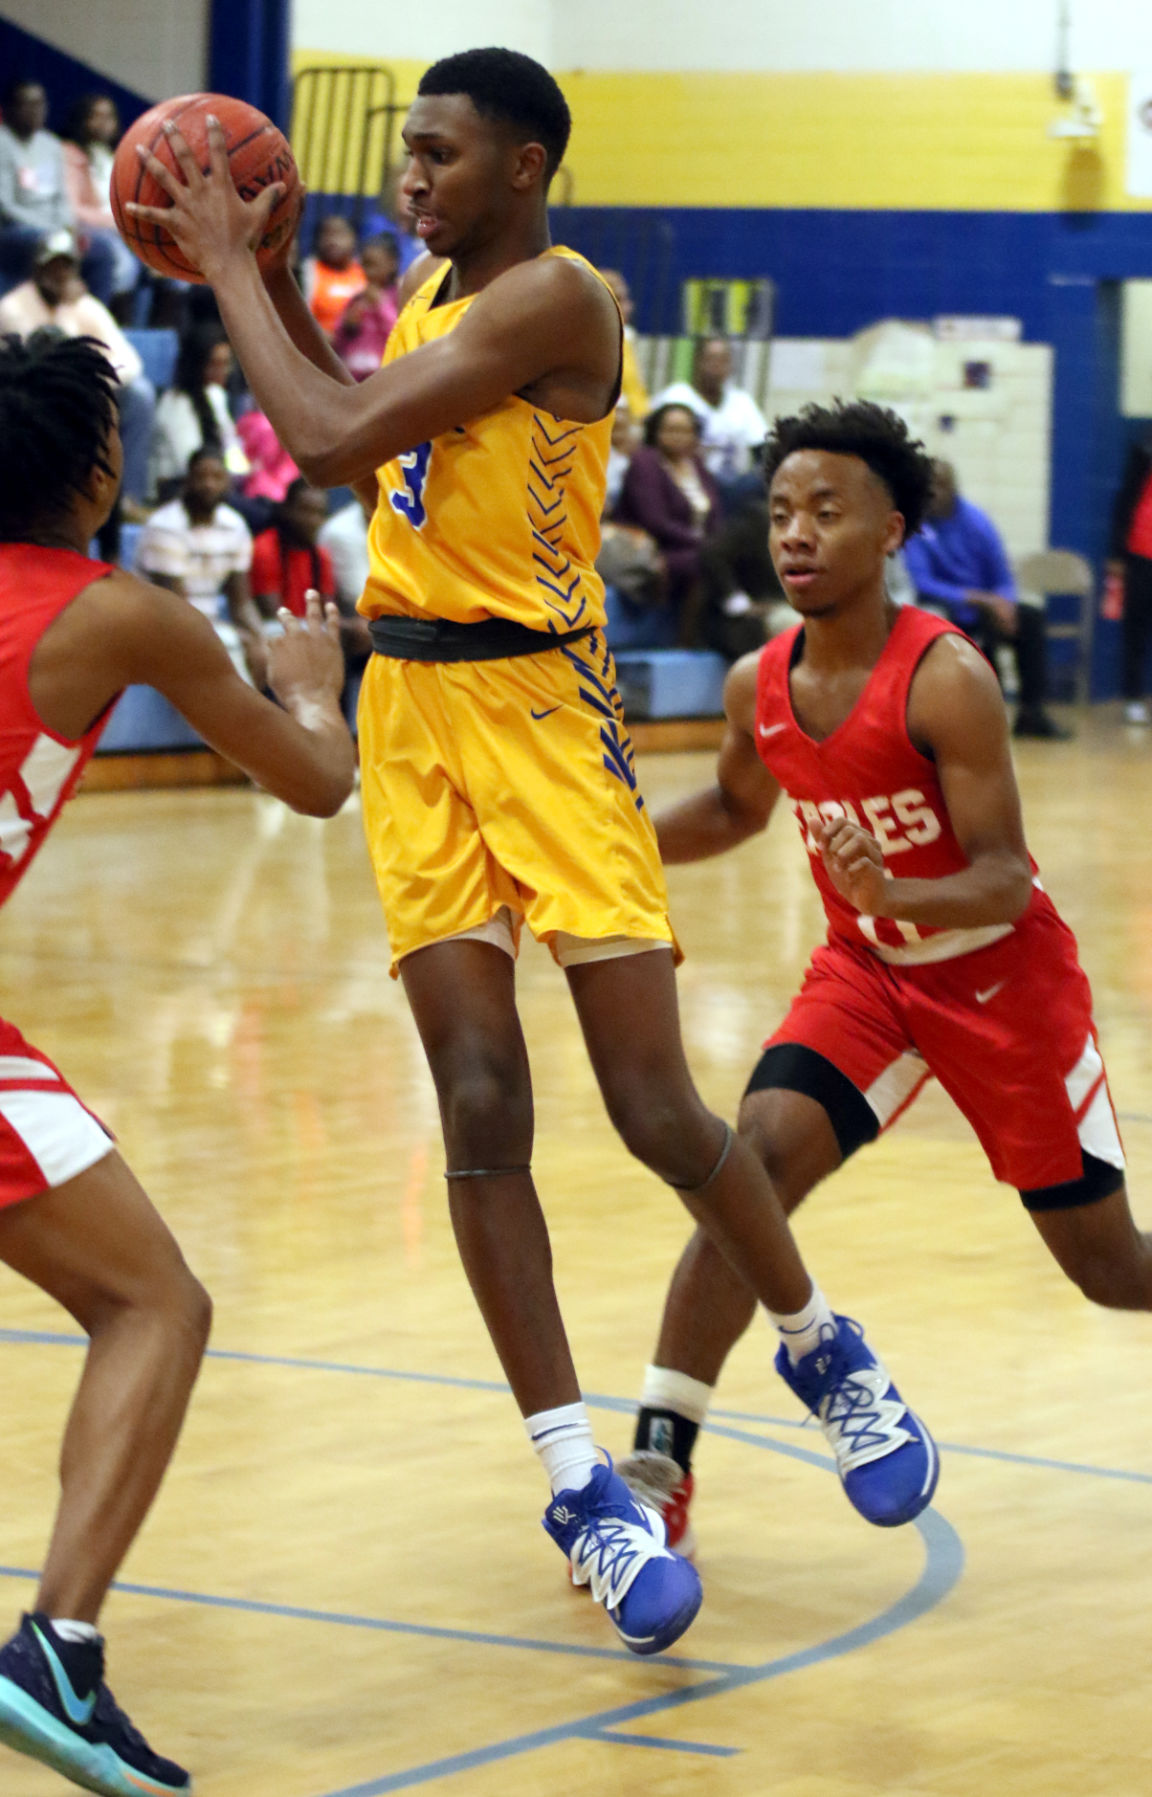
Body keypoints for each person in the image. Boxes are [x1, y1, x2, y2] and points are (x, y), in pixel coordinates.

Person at [126, 45, 936, 1655]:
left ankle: (820, 1339)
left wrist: (223, 266)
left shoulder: (558, 304)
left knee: (650, 1106)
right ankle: (581, 1485)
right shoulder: (433, 299)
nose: (409, 177)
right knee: (480, 1105)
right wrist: (275, 275)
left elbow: (335, 442)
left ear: (526, 169)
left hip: (547, 718)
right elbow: (343, 398)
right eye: (404, 152)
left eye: (439, 154)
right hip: (416, 721)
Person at [618, 400, 1136, 1558]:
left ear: (891, 531)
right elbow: (736, 813)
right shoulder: (762, 679)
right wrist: (607, 844)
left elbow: (1003, 881)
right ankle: (657, 1465)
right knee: (743, 1171)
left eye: (827, 512)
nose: (797, 534)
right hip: (868, 977)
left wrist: (895, 892)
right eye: (784, 512)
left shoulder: (946, 677)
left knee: (1111, 1271)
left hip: (1003, 987)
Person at [0, 328, 354, 1795]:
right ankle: (56, 1653)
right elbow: (318, 781)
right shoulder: (125, 616)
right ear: (99, 472)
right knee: (156, 1301)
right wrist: (312, 675)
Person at [902, 459, 1070, 740]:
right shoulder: (917, 527)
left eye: (940, 487)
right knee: (973, 630)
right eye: (928, 489)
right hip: (950, 608)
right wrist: (977, 599)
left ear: (954, 488)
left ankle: (1031, 713)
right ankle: (985, 713)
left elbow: (1002, 575)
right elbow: (924, 584)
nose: (934, 495)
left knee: (1030, 618)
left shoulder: (977, 522)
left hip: (988, 606)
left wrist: (1005, 603)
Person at [0, 230, 155, 514]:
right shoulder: (13, 307)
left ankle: (128, 498)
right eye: (53, 265)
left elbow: (130, 361)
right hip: (29, 398)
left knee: (140, 395)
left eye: (66, 266)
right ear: (38, 268)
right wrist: (62, 312)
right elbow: (36, 366)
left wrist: (94, 382)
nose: (60, 273)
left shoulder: (86, 306)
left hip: (80, 393)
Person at [134, 449, 267, 686]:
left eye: (217, 477)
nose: (208, 484)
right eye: (201, 477)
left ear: (228, 482)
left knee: (267, 648)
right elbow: (176, 608)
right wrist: (234, 636)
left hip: (209, 626)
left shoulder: (235, 526)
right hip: (162, 627)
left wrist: (259, 641)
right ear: (187, 481)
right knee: (230, 644)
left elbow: (242, 602)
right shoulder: (165, 526)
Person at [613, 400, 722, 644]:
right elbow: (655, 522)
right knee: (705, 562)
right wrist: (704, 543)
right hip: (653, 551)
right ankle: (687, 640)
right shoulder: (645, 463)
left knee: (725, 558)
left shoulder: (696, 465)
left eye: (685, 430)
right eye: (670, 430)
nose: (678, 437)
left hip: (695, 547)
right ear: (656, 432)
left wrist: (718, 543)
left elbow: (715, 513)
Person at [0, 80, 115, 301]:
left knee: (101, 251)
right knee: (50, 244)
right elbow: (5, 206)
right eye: (28, 104)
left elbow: (61, 197)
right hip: (14, 231)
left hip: (52, 228)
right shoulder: (3, 143)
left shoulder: (51, 144)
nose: (35, 111)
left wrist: (66, 227)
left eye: (40, 104)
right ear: (9, 108)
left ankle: (89, 322)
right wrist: (51, 230)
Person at [651, 335, 768, 506]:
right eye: (711, 358)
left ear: (731, 365)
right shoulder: (676, 396)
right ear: (697, 362)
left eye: (723, 360)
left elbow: (763, 451)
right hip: (684, 480)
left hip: (734, 485)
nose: (716, 365)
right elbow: (650, 447)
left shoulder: (742, 401)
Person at [60, 93, 140, 320]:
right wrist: (117, 223)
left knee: (168, 268)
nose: (104, 123)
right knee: (123, 263)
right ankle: (102, 324)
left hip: (123, 229)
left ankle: (148, 336)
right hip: (90, 229)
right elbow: (74, 209)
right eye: (96, 116)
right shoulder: (70, 155)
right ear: (82, 120)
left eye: (109, 117)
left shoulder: (118, 156)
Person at [147, 324, 250, 500]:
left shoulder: (216, 396)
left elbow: (233, 450)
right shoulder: (175, 403)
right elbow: (188, 464)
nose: (223, 372)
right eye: (215, 364)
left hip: (217, 486)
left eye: (226, 364)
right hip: (180, 490)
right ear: (197, 364)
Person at [1107, 432, 1152, 725]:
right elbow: (1124, 501)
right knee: (1134, 629)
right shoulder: (1143, 449)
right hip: (1139, 554)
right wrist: (1116, 555)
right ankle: (1133, 697)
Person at [250, 479, 337, 619]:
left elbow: (328, 613)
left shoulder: (321, 556)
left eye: (319, 513)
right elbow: (273, 615)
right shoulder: (265, 548)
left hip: (312, 630)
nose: (312, 520)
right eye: (305, 510)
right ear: (286, 509)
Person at [333, 232, 401, 381]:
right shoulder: (357, 300)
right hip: (354, 376)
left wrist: (381, 305)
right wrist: (348, 326)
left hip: (385, 377)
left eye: (373, 265)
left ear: (392, 264)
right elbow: (339, 342)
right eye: (364, 265)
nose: (367, 271)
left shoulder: (399, 296)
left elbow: (400, 335)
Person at [301, 214, 365, 339]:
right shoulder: (308, 271)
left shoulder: (365, 271)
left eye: (340, 234)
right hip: (317, 346)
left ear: (354, 238)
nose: (333, 241)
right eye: (327, 234)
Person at [600, 268, 649, 422]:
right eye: (618, 299)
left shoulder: (628, 336)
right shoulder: (586, 343)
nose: (628, 307)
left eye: (626, 299)